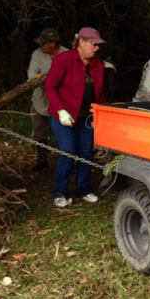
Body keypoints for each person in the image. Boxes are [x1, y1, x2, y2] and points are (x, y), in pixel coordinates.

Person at [45, 27, 106, 208]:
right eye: (93, 44)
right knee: (68, 152)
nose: (96, 48)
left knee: (86, 153)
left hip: (85, 117)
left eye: (97, 45)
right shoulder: (64, 60)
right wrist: (60, 110)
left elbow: (99, 94)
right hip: (63, 116)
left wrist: (101, 117)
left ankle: (84, 189)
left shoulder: (98, 64)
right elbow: (50, 86)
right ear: (81, 42)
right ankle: (60, 193)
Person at [27, 28, 68, 171]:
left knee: (64, 129)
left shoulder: (67, 54)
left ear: (52, 44)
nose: (40, 46)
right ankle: (42, 158)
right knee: (38, 129)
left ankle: (67, 158)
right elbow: (31, 74)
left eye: (43, 43)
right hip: (41, 98)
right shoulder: (37, 55)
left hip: (62, 100)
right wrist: (40, 78)